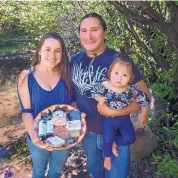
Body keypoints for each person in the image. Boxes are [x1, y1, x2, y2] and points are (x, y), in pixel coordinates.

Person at [70, 13, 151, 178]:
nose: (88, 36)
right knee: (95, 171)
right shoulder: (75, 61)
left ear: (105, 32)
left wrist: (115, 112)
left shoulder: (119, 61)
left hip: (117, 132)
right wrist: (74, 113)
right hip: (88, 134)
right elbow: (73, 95)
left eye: (94, 30)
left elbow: (144, 97)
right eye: (84, 31)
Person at [17, 32, 72, 178]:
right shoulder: (26, 76)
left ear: (62, 53)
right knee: (39, 171)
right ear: (40, 50)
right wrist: (34, 136)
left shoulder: (66, 73)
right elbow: (26, 110)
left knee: (55, 171)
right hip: (37, 135)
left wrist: (78, 116)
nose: (52, 55)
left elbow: (72, 103)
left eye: (57, 50)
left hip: (63, 135)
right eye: (48, 49)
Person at [90, 52, 150, 170]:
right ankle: (107, 158)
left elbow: (144, 100)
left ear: (130, 78)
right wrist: (100, 99)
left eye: (124, 75)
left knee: (130, 138)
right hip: (108, 119)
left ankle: (115, 144)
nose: (119, 77)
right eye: (116, 73)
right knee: (107, 139)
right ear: (110, 73)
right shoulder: (105, 85)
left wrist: (144, 114)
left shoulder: (131, 89)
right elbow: (93, 93)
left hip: (124, 118)